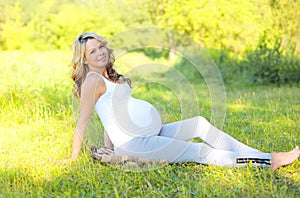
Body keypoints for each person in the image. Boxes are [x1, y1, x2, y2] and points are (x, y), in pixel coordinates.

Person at [66, 32, 299, 170]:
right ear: (84, 60)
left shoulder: (110, 77)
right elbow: (83, 122)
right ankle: (269, 162)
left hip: (147, 136)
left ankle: (260, 154)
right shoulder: (92, 81)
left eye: (101, 47)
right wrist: (72, 158)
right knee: (200, 151)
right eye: (93, 52)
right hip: (137, 143)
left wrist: (112, 148)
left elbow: (112, 117)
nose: (101, 53)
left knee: (199, 123)